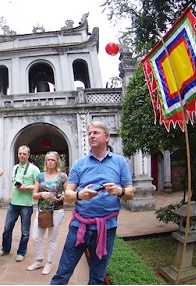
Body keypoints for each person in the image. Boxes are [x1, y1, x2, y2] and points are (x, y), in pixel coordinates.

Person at [50, 121, 134, 285]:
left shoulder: (119, 162)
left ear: (107, 137)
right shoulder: (80, 163)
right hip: (79, 227)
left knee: (97, 277)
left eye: (95, 132)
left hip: (106, 228)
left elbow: (130, 192)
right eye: (89, 133)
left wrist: (119, 191)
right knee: (62, 274)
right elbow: (67, 195)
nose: (91, 136)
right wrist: (80, 195)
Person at [0, 145, 40, 262]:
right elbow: (13, 182)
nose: (22, 156)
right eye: (20, 153)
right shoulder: (15, 167)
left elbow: (39, 185)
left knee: (25, 231)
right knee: (7, 228)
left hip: (26, 204)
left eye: (24, 154)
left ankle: (21, 252)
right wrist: (10, 194)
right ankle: (5, 248)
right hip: (13, 203)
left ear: (28, 155)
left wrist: (27, 187)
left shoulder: (34, 169)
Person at [27, 151, 67, 275]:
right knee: (36, 237)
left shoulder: (62, 177)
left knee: (52, 238)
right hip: (42, 210)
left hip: (56, 210)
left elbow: (68, 193)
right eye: (48, 160)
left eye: (52, 160)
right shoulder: (40, 176)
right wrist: (41, 194)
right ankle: (39, 260)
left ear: (57, 162)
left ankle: (49, 263)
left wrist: (62, 196)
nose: (50, 162)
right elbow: (34, 194)